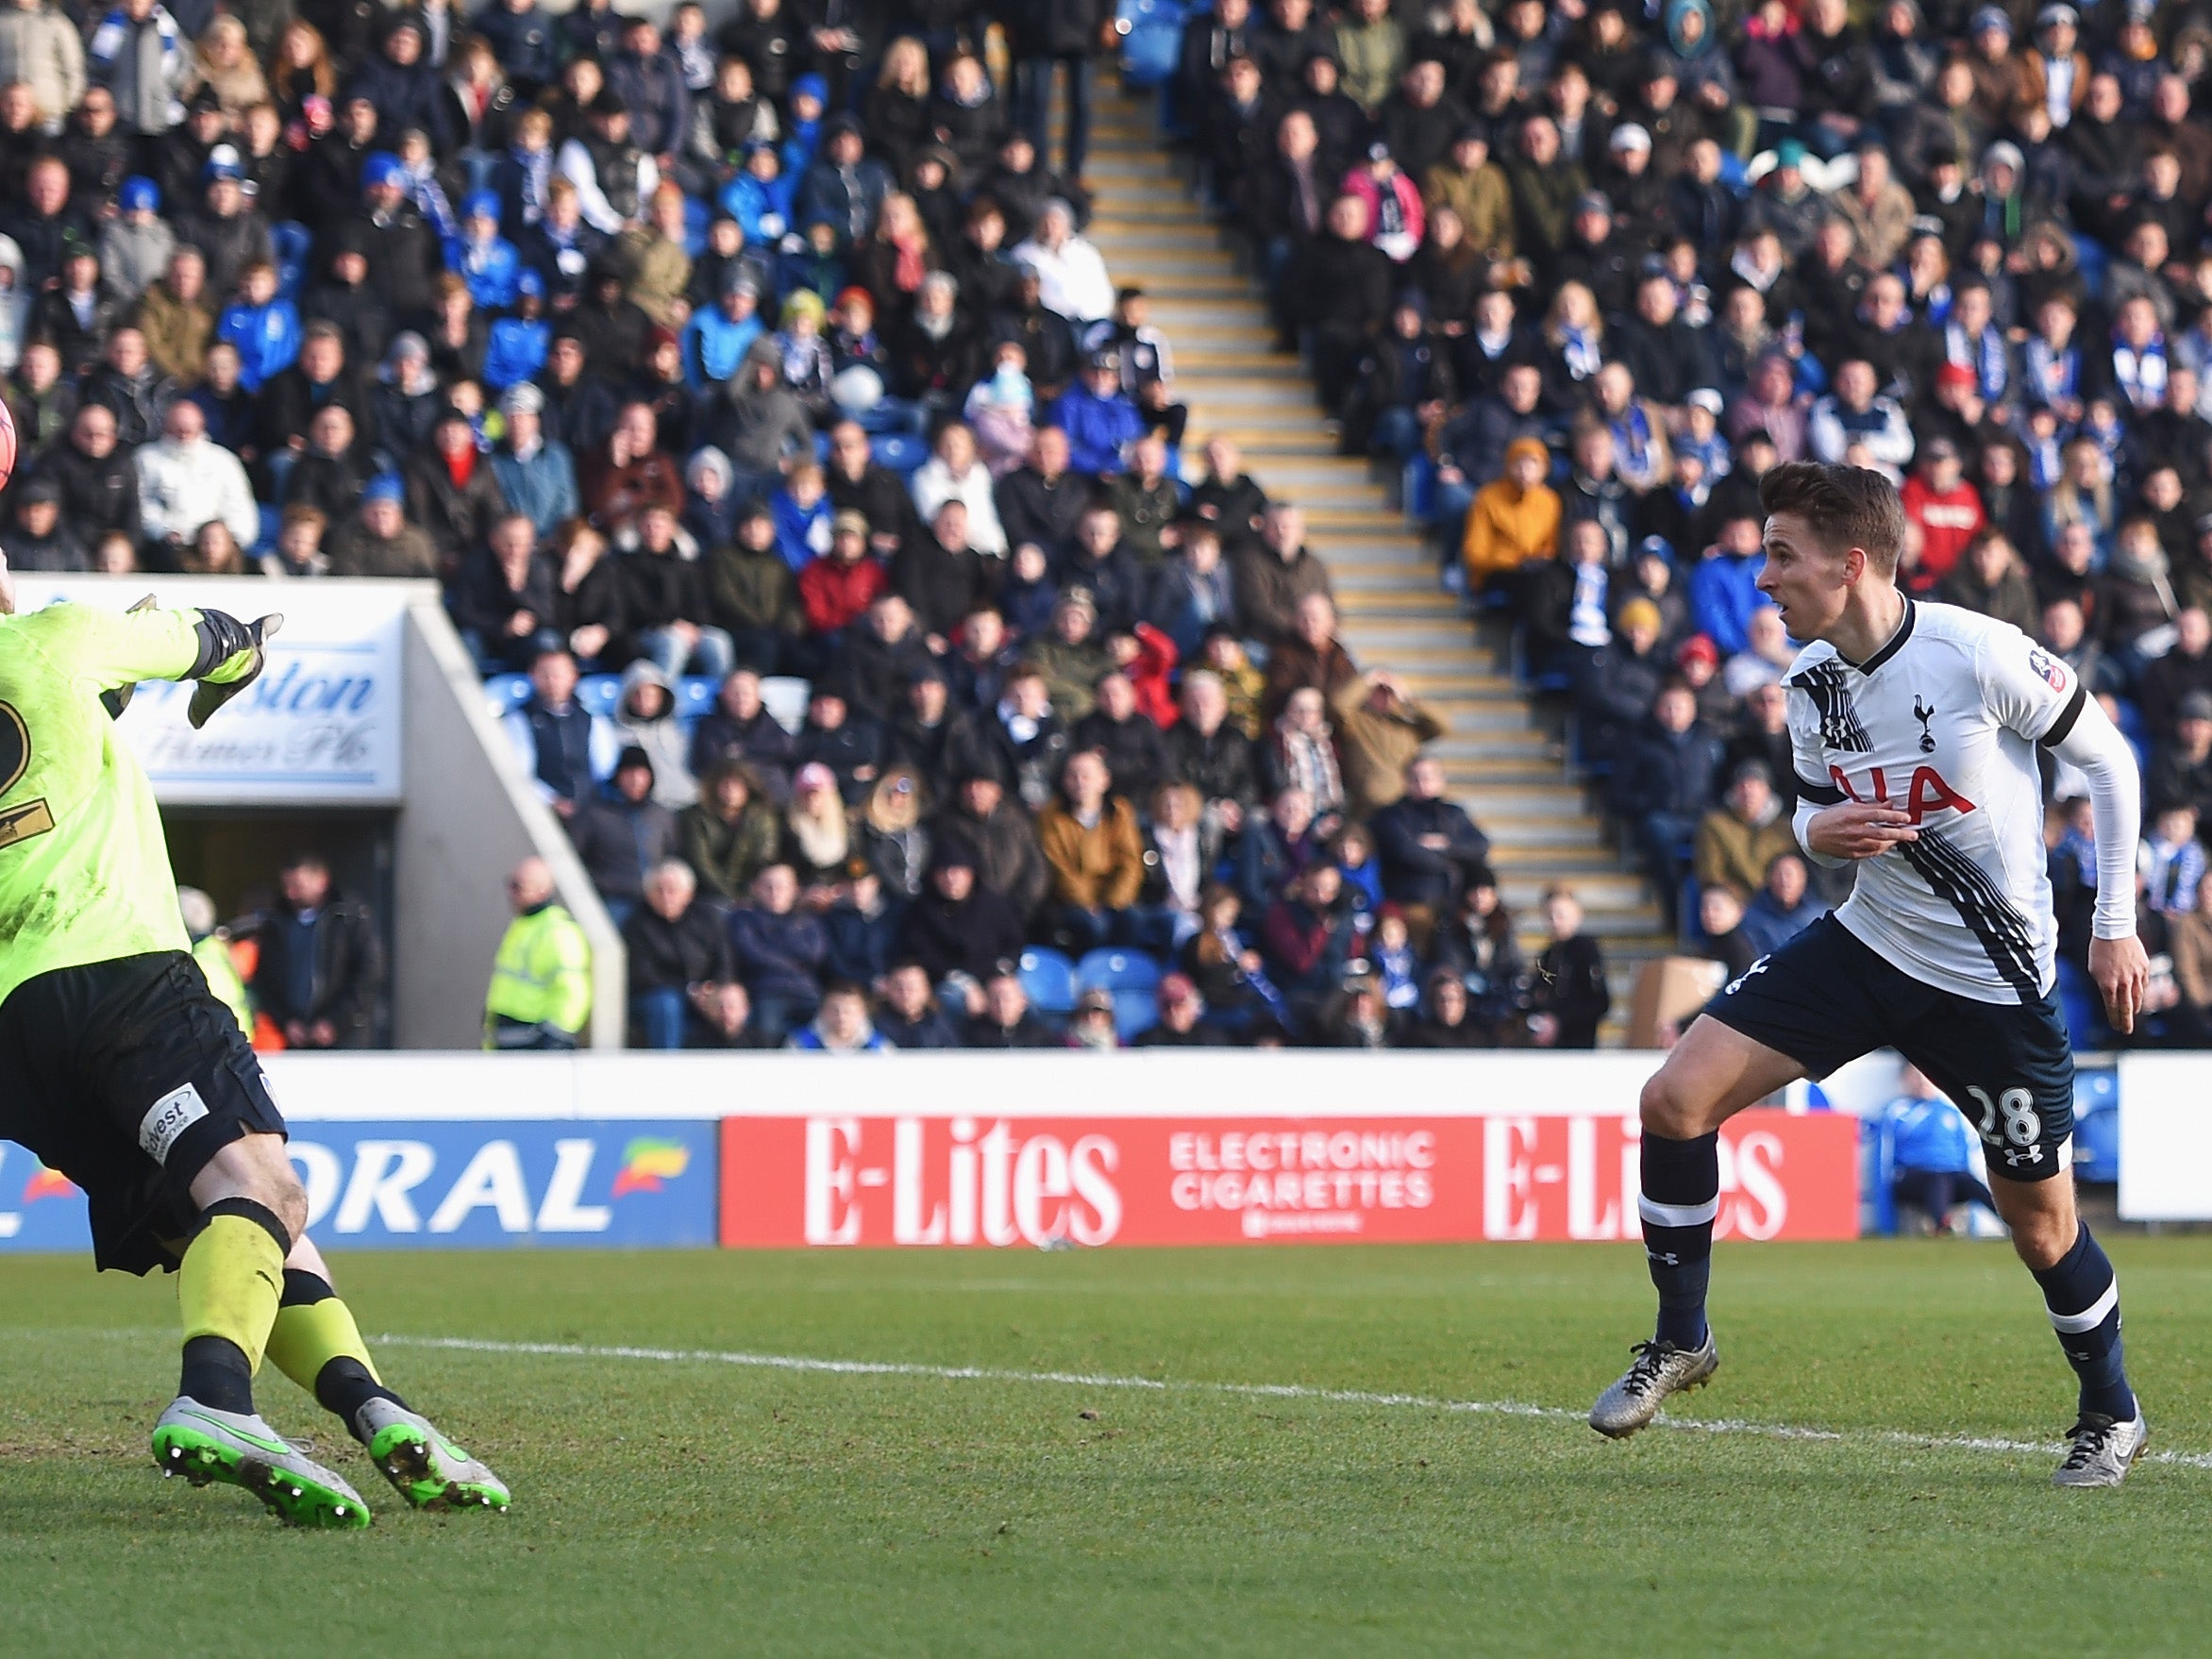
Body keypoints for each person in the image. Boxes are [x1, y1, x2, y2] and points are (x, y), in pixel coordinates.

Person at [1590, 461, 2152, 1490]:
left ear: (1850, 564)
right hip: (1868, 944)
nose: (1763, 577)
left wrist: (2112, 927)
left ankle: (2110, 1410)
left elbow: (2110, 763)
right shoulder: (1809, 679)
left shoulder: (1974, 653)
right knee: (1672, 1099)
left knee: (2040, 1225)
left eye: (1779, 556)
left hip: (1991, 982)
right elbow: (1810, 814)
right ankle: (1682, 1339)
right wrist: (1820, 830)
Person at [0, 576, 505, 1525]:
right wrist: (225, 653)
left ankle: (374, 1408)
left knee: (227, 1226)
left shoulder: (62, 675)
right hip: (119, 970)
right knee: (263, 1188)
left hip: (17, 1036)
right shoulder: (56, 641)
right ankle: (217, 1402)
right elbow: (216, 640)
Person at [249, 850, 385, 1050]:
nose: (290, 893)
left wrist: (336, 1022)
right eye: (286, 886)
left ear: (321, 880)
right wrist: (286, 1022)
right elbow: (264, 979)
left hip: (345, 1038)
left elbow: (369, 973)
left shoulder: (349, 917)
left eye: (298, 886)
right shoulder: (276, 922)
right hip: (294, 1037)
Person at [483, 854, 593, 1049]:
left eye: (519, 886)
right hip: (510, 1037)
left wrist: (555, 1037)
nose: (511, 892)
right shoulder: (523, 923)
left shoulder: (557, 931)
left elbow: (573, 991)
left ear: (542, 890)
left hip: (533, 1043)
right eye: (510, 883)